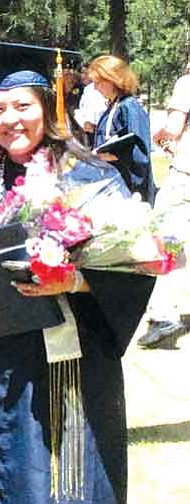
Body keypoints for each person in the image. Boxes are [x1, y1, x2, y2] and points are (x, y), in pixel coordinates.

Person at [0, 63, 155, 503]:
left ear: (47, 110)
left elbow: (135, 267)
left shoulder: (86, 174)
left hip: (62, 357)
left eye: (23, 106)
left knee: (59, 471)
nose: (10, 119)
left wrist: (72, 280)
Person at [137, 66, 190, 348]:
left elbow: (173, 129)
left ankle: (164, 314)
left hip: (186, 176)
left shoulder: (186, 83)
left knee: (167, 239)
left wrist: (158, 138)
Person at [89, 54, 156, 204]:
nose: (94, 87)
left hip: (128, 186)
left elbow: (140, 151)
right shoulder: (114, 105)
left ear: (112, 79)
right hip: (110, 180)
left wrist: (117, 157)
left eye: (98, 82)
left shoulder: (130, 107)